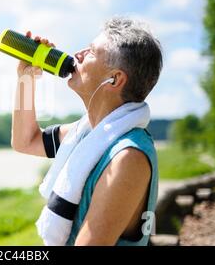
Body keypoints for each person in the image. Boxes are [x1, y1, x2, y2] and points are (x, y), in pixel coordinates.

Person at [11, 17, 163, 246]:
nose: (77, 55)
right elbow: (25, 140)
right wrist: (25, 79)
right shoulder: (87, 134)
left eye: (91, 52)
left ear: (115, 79)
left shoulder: (128, 157)